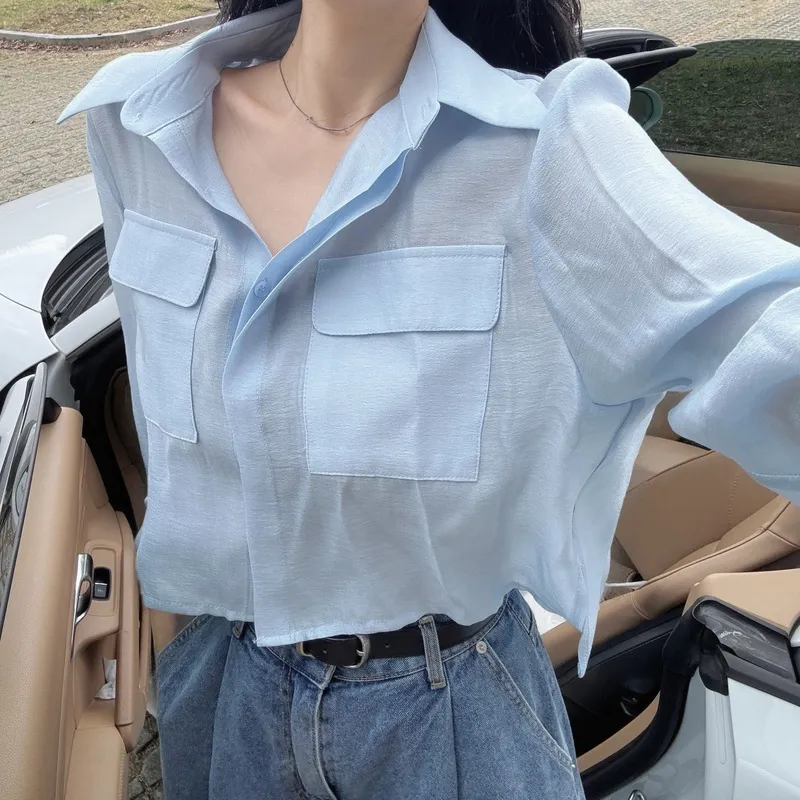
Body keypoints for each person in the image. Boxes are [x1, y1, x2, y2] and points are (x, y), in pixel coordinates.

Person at [57, 0, 800, 797]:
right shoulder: (136, 126)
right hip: (222, 689)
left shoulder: (548, 145)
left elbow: (766, 339)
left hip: (448, 711)